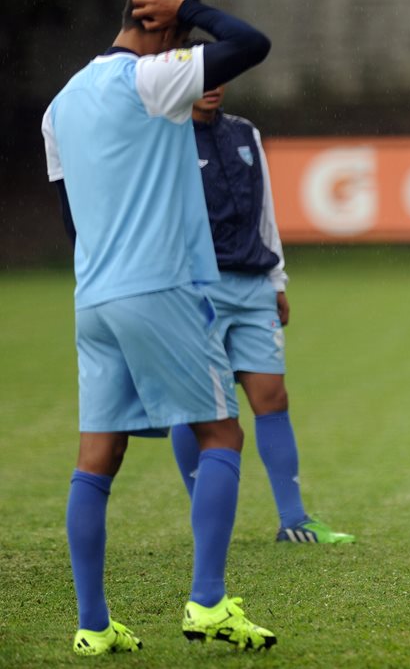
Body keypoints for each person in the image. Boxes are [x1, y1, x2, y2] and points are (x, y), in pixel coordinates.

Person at [41, 0, 275, 655]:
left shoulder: (61, 102)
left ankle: (92, 624)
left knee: (97, 458)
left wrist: (107, 275)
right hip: (161, 288)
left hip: (94, 296)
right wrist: (196, 8)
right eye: (181, 25)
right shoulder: (148, 78)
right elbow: (252, 43)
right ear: (161, 24)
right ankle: (206, 603)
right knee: (222, 435)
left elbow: (70, 218)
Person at [167, 67, 354, 545]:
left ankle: (293, 520)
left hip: (253, 287)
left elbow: (265, 211)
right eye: (201, 76)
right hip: (195, 288)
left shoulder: (244, 132)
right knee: (201, 406)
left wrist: (277, 279)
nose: (212, 84)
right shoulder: (164, 136)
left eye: (220, 75)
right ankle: (203, 515)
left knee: (272, 397)